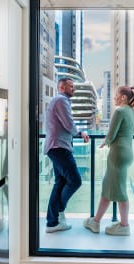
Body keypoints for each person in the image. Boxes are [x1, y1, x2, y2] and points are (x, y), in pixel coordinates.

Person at [83, 86, 134, 236]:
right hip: (127, 152)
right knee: (108, 187)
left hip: (118, 154)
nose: (114, 98)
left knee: (120, 190)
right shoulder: (133, 111)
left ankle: (124, 225)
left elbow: (112, 134)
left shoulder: (120, 111)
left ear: (124, 98)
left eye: (116, 95)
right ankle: (96, 221)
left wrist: (104, 142)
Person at [44, 77, 89, 233]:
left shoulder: (59, 100)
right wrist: (80, 132)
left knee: (60, 182)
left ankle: (52, 222)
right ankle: (58, 212)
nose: (73, 89)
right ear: (62, 88)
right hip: (58, 147)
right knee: (75, 180)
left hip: (56, 146)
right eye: (71, 86)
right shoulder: (61, 100)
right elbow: (68, 124)